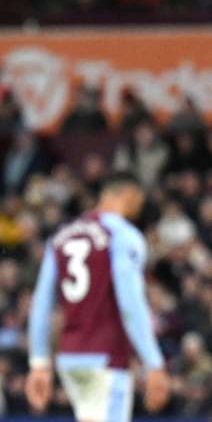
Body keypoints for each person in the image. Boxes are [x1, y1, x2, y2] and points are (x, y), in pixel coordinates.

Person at [25, 171, 171, 421]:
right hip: (106, 357)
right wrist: (153, 362)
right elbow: (130, 303)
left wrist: (39, 362)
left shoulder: (62, 235)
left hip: (70, 357)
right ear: (129, 194)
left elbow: (41, 303)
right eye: (139, 199)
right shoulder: (124, 236)